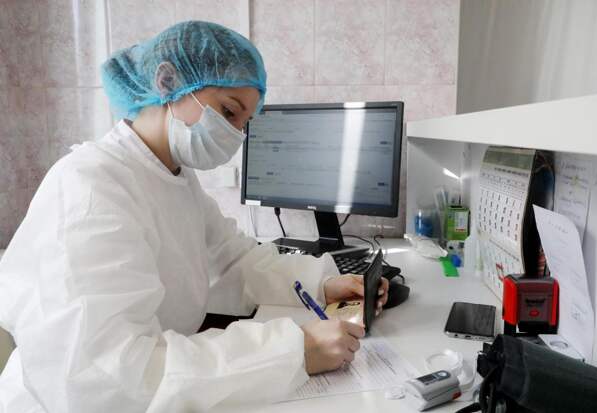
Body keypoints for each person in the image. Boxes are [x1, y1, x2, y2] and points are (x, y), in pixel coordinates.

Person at [0, 21, 389, 412]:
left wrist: (324, 284)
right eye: (229, 112)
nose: (236, 136)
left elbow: (236, 260)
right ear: (168, 82)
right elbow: (107, 378)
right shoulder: (90, 188)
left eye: (243, 124)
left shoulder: (173, 177)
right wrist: (294, 350)